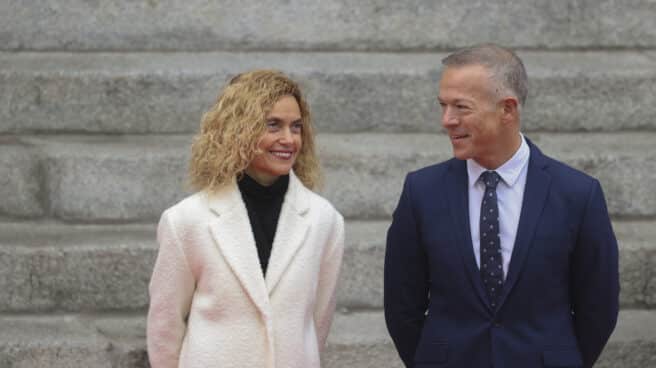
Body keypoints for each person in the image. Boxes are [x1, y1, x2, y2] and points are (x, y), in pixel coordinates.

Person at [384, 44, 619, 368]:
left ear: (507, 109)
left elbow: (599, 308)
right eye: (443, 106)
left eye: (461, 107)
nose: (447, 120)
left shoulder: (578, 194)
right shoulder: (421, 192)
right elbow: (401, 307)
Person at [147, 70, 344, 368]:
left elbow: (317, 323)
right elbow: (165, 326)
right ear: (239, 128)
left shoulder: (325, 221)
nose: (288, 139)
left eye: (296, 127)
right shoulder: (186, 220)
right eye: (273, 125)